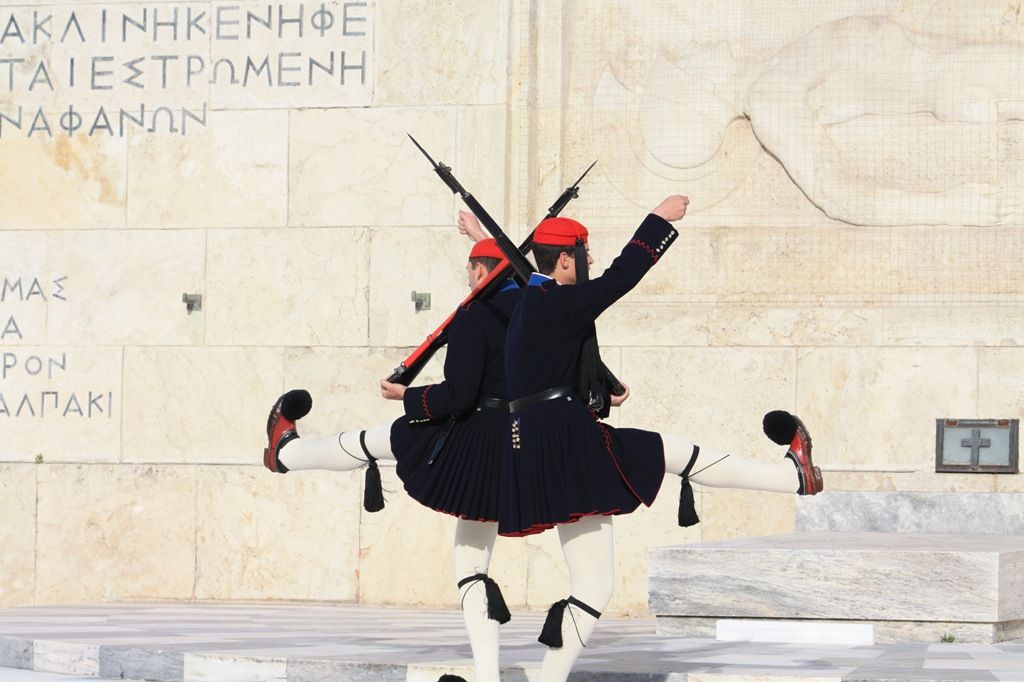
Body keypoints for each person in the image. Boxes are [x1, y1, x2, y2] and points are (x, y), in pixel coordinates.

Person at [498, 195, 822, 681]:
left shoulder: (530, 304)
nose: (590, 261)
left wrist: (600, 392)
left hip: (538, 443)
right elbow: (621, 278)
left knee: (594, 584)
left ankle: (550, 678)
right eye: (584, 254)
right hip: (564, 442)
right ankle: (792, 477)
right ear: (564, 259)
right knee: (667, 452)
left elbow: (544, 371)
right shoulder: (560, 302)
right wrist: (657, 221)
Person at [263, 214, 519, 682]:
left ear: (481, 272)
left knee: (375, 440)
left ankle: (286, 453)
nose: (467, 279)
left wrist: (408, 396)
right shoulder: (535, 310)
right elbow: (523, 276)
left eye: (470, 270)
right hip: (519, 447)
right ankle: (487, 676)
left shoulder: (476, 317)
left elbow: (459, 395)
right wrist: (482, 237)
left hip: (472, 441)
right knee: (473, 565)